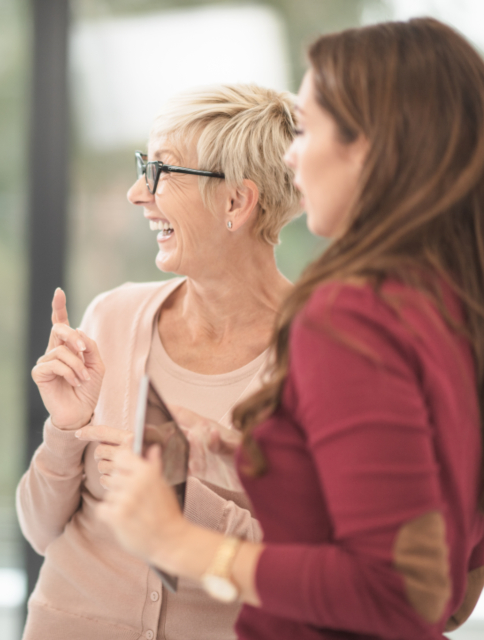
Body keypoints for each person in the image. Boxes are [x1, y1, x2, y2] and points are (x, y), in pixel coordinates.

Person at [98, 17, 484, 640]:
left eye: (307, 128)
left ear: (370, 148)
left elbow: (396, 589)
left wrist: (179, 543)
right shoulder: (458, 307)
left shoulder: (349, 317)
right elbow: (452, 584)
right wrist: (271, 458)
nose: (291, 153)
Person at [18, 84, 302, 639]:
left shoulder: (319, 353)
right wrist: (65, 429)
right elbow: (40, 530)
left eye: (162, 172)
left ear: (237, 202)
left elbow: (319, 568)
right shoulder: (113, 316)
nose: (135, 193)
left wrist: (178, 495)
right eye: (142, 166)